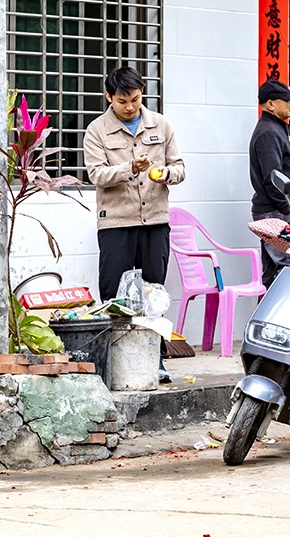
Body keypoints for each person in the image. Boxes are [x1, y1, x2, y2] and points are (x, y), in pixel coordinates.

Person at [84, 66, 184, 383]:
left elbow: (180, 168)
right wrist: (130, 168)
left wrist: (165, 174)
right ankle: (112, 360)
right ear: (109, 97)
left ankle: (155, 359)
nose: (130, 107)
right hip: (115, 222)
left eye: (136, 100)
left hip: (155, 220)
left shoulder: (161, 125)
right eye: (123, 101)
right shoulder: (97, 131)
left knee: (154, 291)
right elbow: (96, 175)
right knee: (113, 291)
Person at [249, 79, 290, 286]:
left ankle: (262, 318)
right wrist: (286, 209)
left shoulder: (275, 129)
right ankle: (282, 318)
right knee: (288, 271)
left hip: (276, 213)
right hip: (276, 213)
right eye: (287, 100)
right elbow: (273, 179)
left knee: (273, 274)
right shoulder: (268, 132)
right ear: (271, 104)